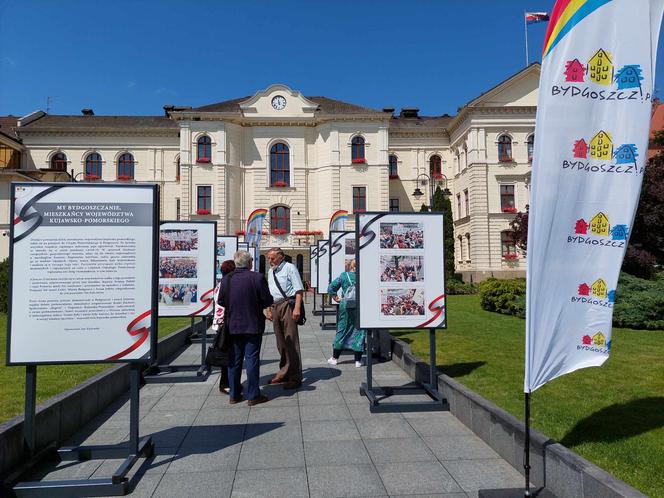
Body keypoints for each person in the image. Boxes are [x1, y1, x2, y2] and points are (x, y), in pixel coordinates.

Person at [218, 251, 273, 405]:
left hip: (233, 325)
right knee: (251, 359)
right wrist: (255, 305)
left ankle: (234, 394)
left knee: (234, 360)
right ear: (249, 264)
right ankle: (253, 395)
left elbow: (221, 300)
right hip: (252, 324)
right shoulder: (257, 277)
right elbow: (267, 299)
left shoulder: (227, 279)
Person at [266, 248, 304, 389]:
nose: (270, 261)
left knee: (291, 340)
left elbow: (298, 289)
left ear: (281, 257)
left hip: (288, 305)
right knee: (280, 342)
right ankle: (284, 371)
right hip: (275, 306)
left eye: (272, 258)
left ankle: (295, 376)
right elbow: (271, 292)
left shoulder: (290, 268)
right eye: (269, 258)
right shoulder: (271, 271)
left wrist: (297, 308)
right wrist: (269, 309)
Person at [327, 258, 365, 367]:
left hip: (345, 305)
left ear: (351, 266)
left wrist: (335, 297)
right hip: (360, 305)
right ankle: (358, 360)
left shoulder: (344, 276)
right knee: (359, 330)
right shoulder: (364, 276)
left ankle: (335, 358)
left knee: (342, 329)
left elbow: (331, 287)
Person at [212, 259, 236, 394]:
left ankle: (228, 382)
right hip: (224, 323)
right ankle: (225, 383)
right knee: (227, 354)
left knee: (227, 353)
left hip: (220, 322)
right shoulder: (226, 283)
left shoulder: (221, 283)